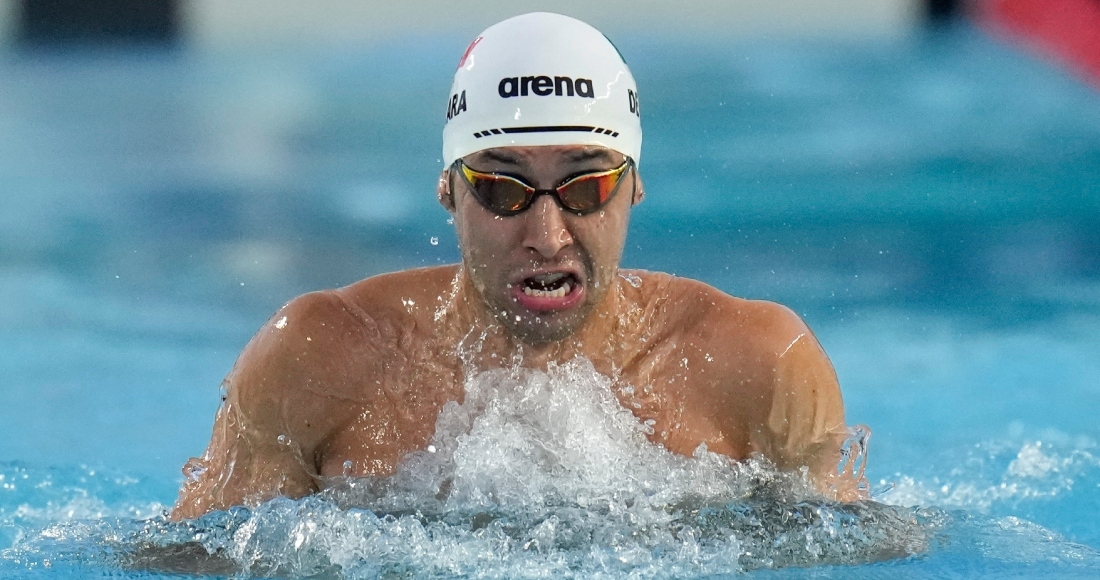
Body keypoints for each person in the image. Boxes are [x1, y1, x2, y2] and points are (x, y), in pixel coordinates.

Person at [170, 12, 867, 521]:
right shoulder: (319, 359)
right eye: (502, 188)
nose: (547, 234)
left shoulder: (759, 366)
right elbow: (192, 560)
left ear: (635, 184)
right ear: (448, 189)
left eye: (585, 185)